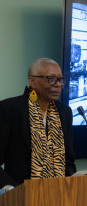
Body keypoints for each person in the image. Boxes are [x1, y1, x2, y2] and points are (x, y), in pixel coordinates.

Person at [0, 58, 76, 190]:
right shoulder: (9, 109)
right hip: (21, 195)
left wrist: (69, 185)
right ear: (32, 81)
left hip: (59, 194)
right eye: (51, 79)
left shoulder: (64, 112)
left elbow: (68, 161)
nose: (58, 84)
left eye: (60, 79)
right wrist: (12, 189)